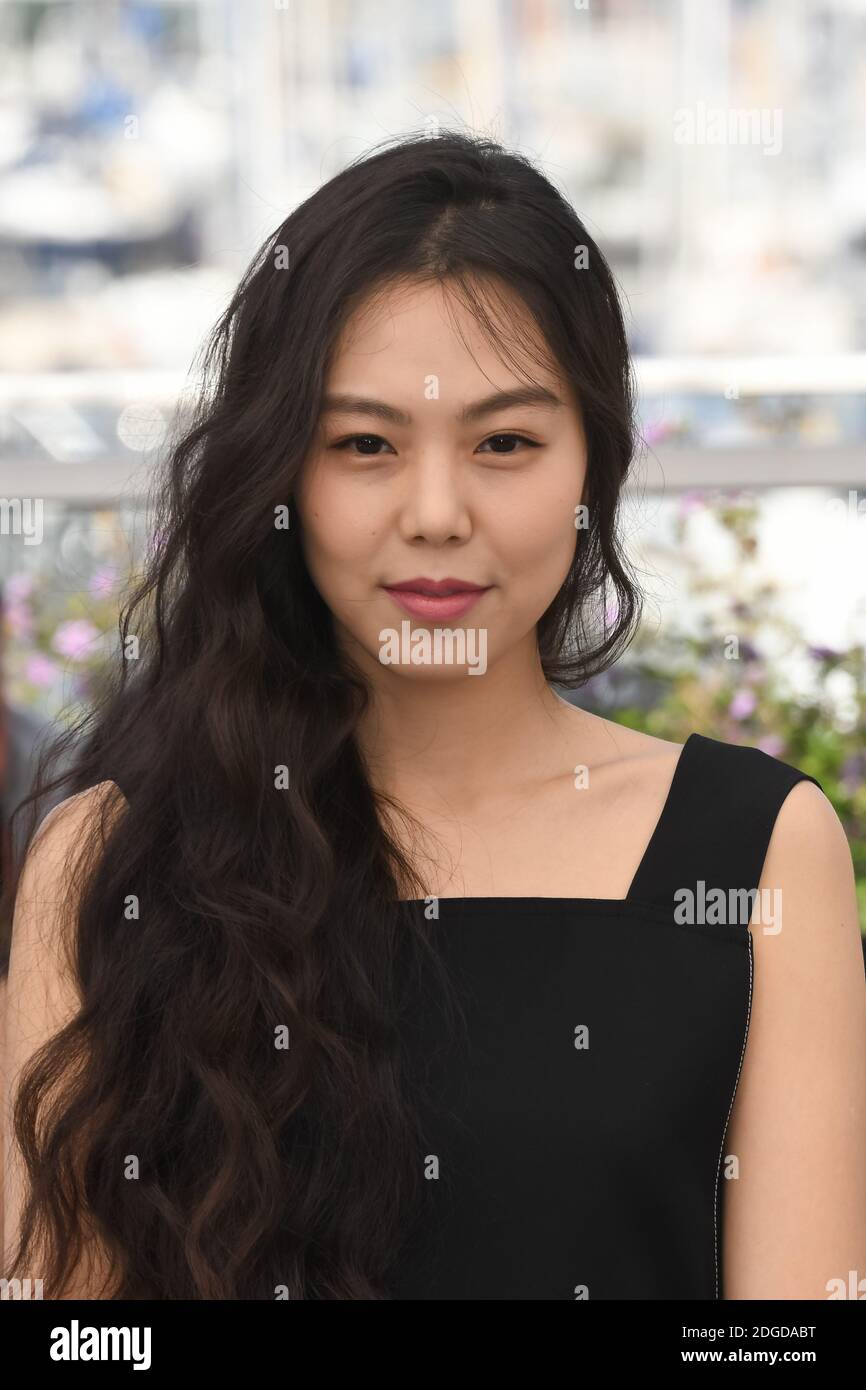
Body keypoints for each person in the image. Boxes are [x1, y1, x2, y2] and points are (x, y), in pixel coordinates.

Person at [2, 131, 864, 1301]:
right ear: (280, 478)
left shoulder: (759, 848)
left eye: (504, 442)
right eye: (364, 445)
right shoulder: (110, 861)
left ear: (590, 469)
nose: (436, 512)